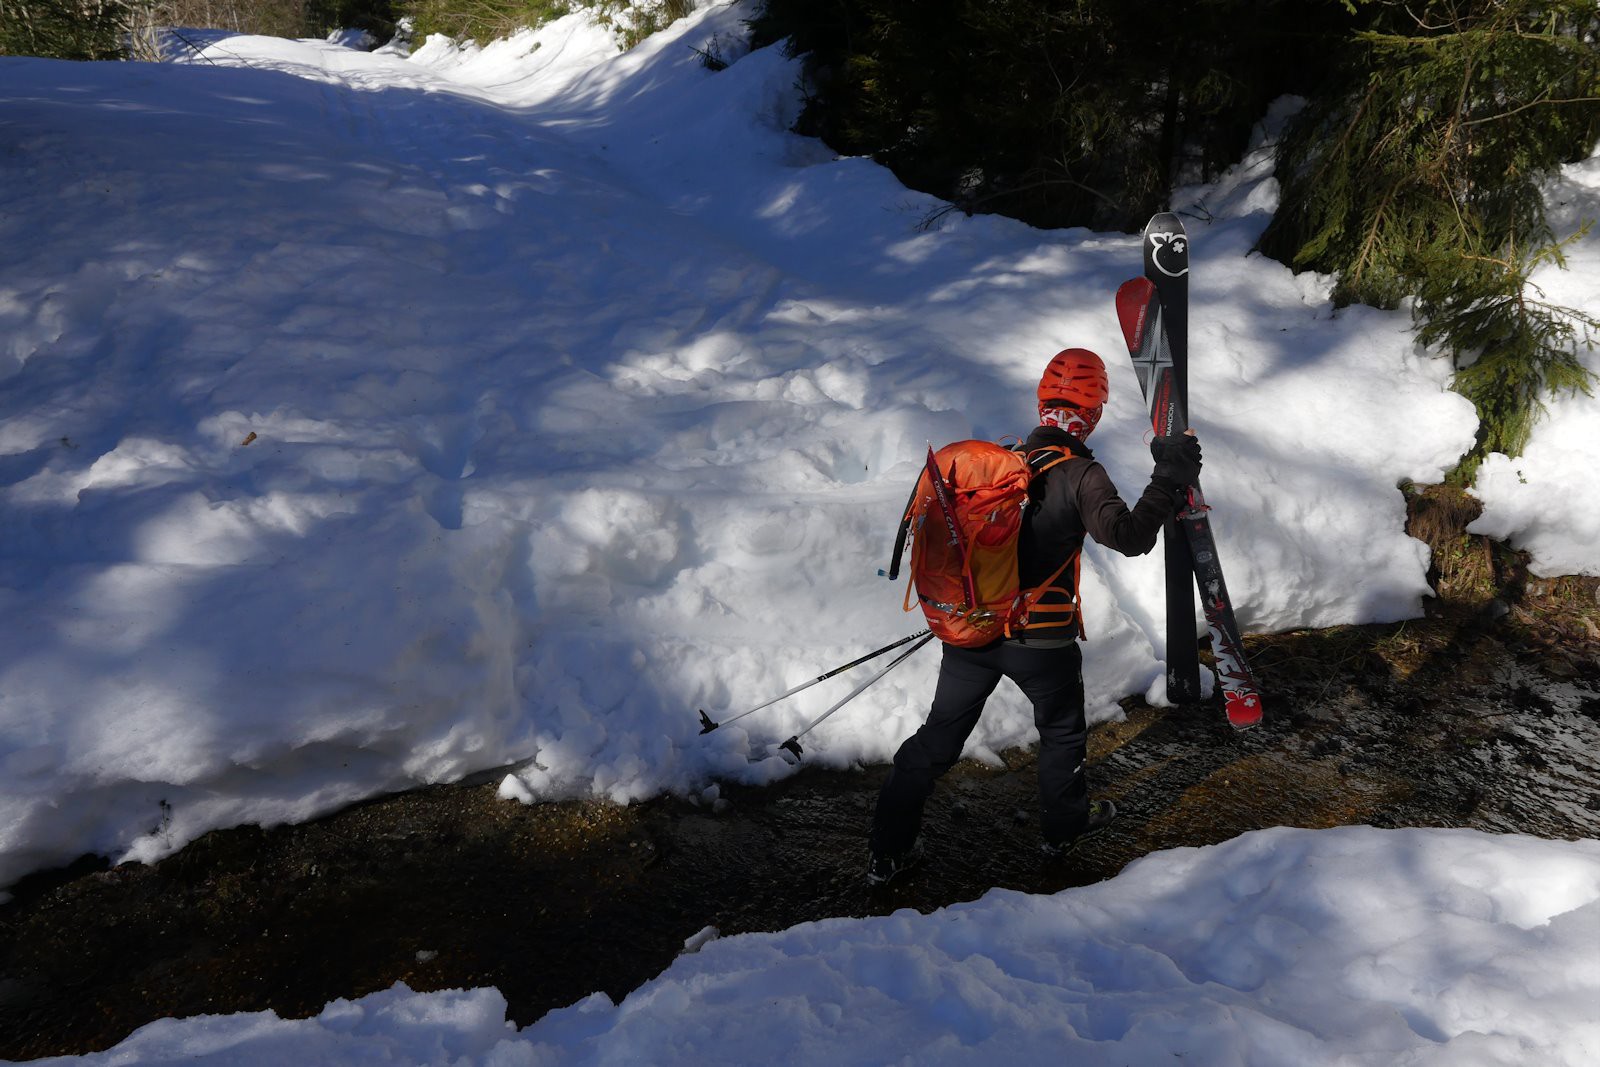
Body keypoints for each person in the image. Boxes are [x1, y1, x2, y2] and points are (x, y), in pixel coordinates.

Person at [867, 347, 1202, 885]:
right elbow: (1130, 537)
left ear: (1041, 403)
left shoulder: (1000, 463)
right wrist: (1170, 476)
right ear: (1092, 416)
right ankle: (1063, 830)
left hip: (971, 631)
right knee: (1062, 734)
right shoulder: (1081, 474)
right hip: (1042, 640)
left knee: (938, 741)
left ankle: (888, 849)